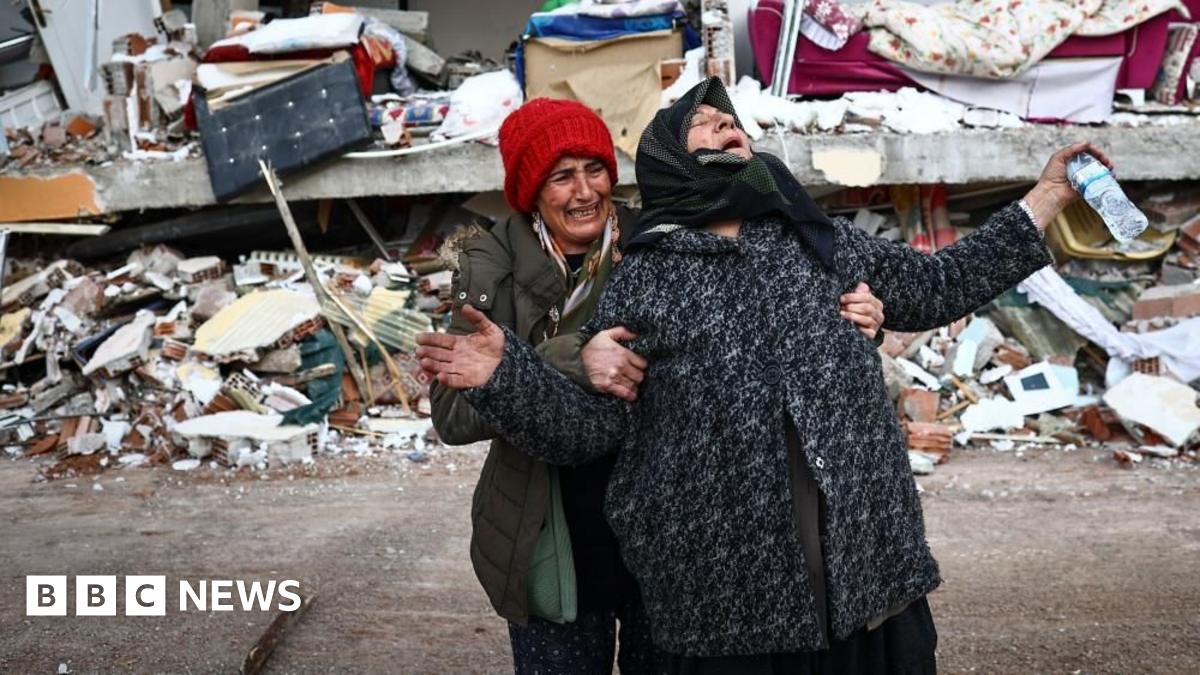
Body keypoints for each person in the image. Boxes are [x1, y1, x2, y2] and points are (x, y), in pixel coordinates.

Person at [417, 78, 1112, 673]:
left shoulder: (822, 244)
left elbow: (942, 283)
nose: (727, 126)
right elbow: (593, 429)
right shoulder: (649, 277)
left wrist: (1047, 196)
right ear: (669, 158)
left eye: (734, 122)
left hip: (867, 582)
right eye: (705, 122)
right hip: (735, 602)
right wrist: (510, 374)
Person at [429, 96, 888, 674]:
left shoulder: (664, 232)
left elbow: (766, 309)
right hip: (556, 528)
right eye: (561, 177)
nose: (585, 192)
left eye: (594, 170)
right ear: (530, 191)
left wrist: (856, 315)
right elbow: (452, 413)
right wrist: (569, 356)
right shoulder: (488, 271)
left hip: (669, 519)